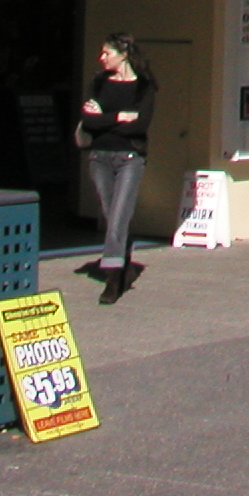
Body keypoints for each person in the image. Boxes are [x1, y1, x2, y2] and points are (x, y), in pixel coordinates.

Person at [77, 32, 156, 304]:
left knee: (120, 215)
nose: (101, 58)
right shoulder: (99, 82)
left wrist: (104, 119)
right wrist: (119, 117)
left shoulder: (144, 86)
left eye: (107, 53)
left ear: (123, 55)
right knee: (111, 215)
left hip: (130, 158)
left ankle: (113, 277)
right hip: (99, 157)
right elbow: (88, 121)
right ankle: (123, 256)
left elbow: (140, 126)